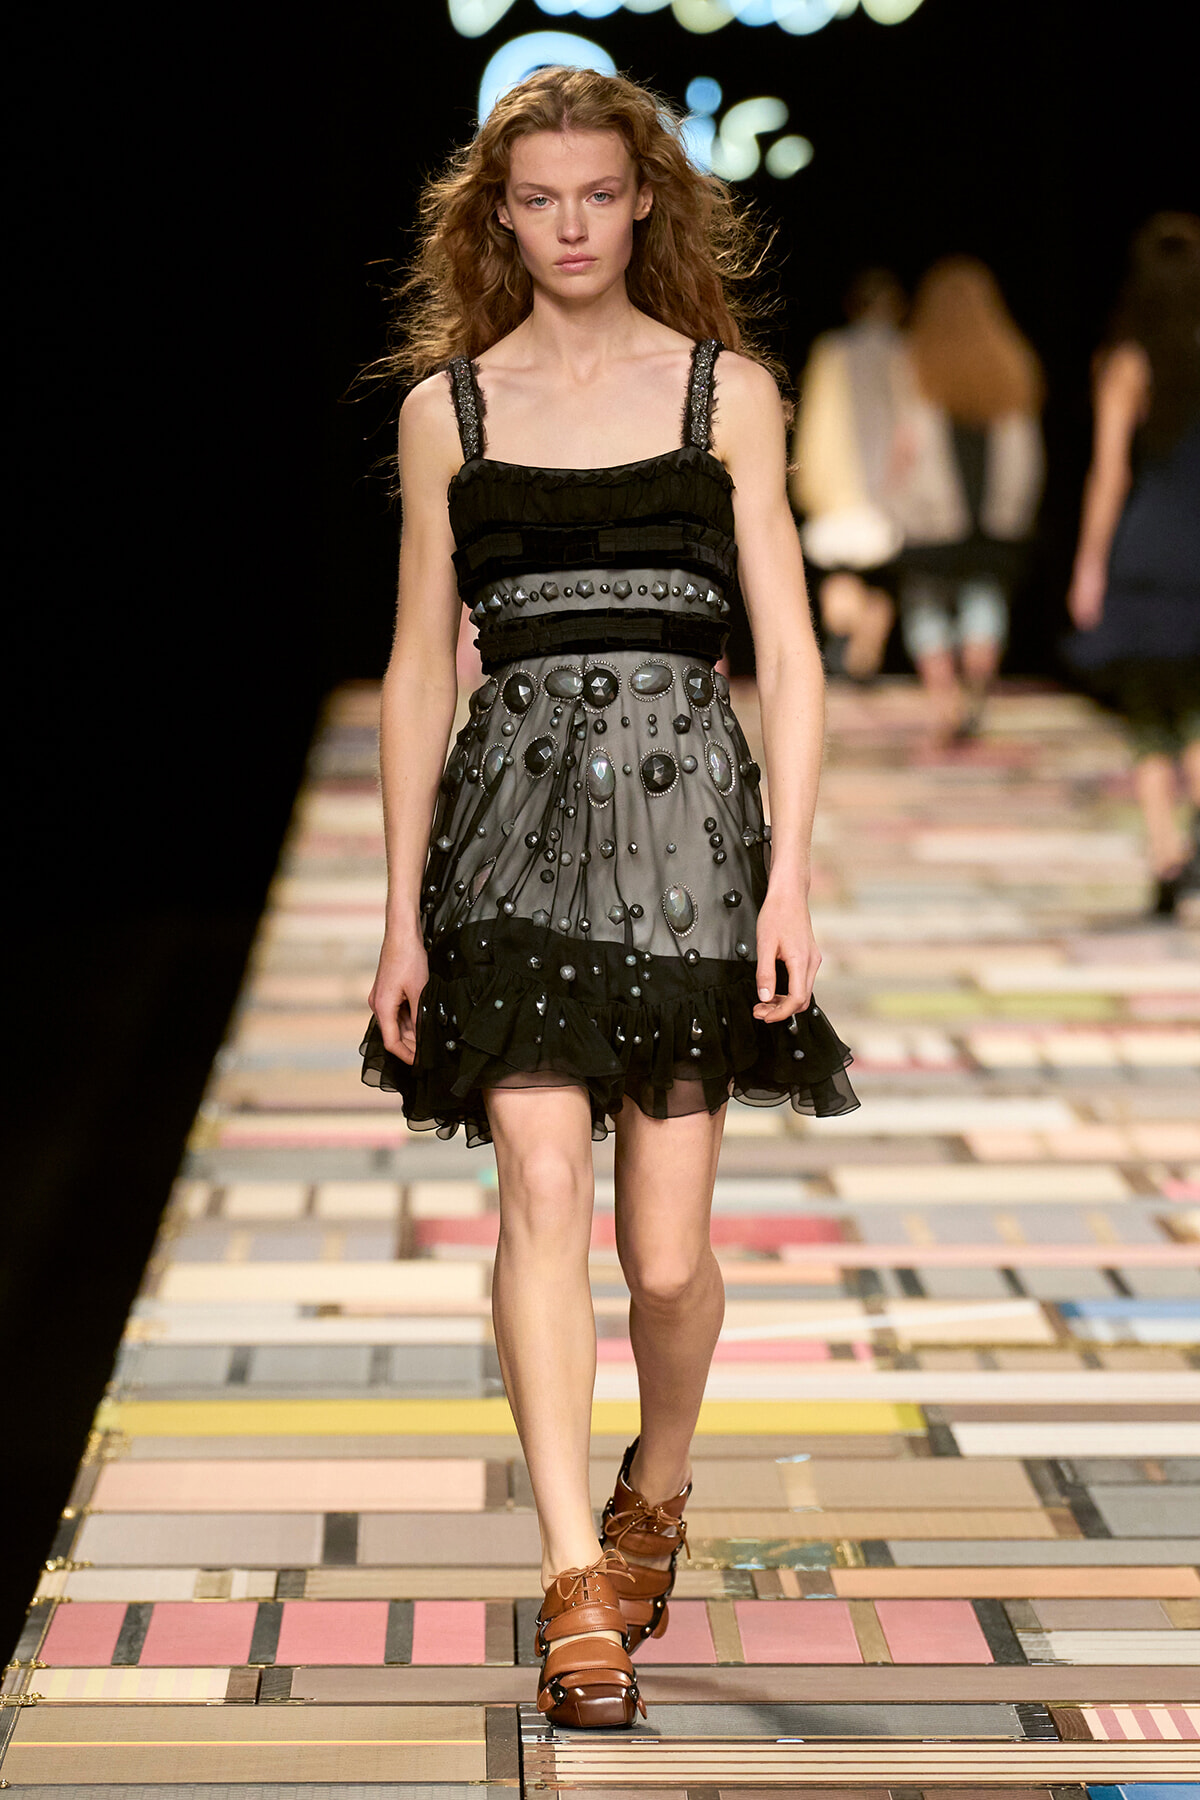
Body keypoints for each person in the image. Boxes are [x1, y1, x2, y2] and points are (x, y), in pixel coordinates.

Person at [359, 67, 858, 1728]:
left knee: (663, 1253)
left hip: (693, 849)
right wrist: (398, 912)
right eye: (537, 199)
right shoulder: (454, 412)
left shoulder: (730, 395)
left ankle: (658, 1481)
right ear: (498, 218)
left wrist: (795, 872)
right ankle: (576, 1573)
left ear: (645, 199)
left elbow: (786, 650)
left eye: (596, 193)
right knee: (540, 1192)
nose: (569, 224)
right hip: (505, 837)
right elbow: (421, 670)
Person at [1067, 213, 1200, 917]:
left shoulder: (1128, 361)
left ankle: (1165, 852)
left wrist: (1090, 564)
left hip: (1151, 550)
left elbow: (1110, 473)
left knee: (1150, 712)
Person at [889, 256, 1044, 747]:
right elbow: (1029, 447)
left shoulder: (914, 361)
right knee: (984, 598)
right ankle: (975, 687)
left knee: (925, 604)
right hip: (993, 513)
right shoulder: (1011, 360)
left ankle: (944, 700)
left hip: (932, 514)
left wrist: (890, 500)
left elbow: (900, 446)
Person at [790, 267, 907, 681]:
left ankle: (854, 642)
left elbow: (817, 423)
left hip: (841, 485)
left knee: (842, 572)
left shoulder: (834, 350)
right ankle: (863, 646)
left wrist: (808, 482)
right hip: (889, 487)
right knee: (875, 577)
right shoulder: (903, 352)